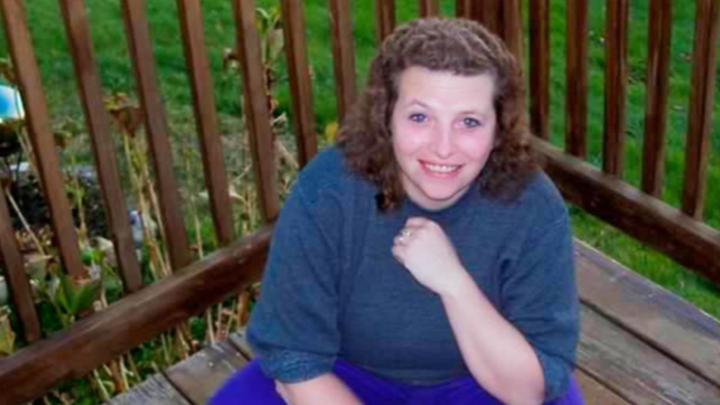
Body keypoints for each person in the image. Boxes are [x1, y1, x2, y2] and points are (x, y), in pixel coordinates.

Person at [210, 18, 583, 405]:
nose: (443, 147)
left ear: (499, 128)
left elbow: (532, 388)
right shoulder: (328, 191)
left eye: (469, 122)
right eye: (420, 117)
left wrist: (453, 282)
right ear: (385, 117)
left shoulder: (532, 206)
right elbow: (294, 359)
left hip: (479, 382)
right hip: (343, 373)